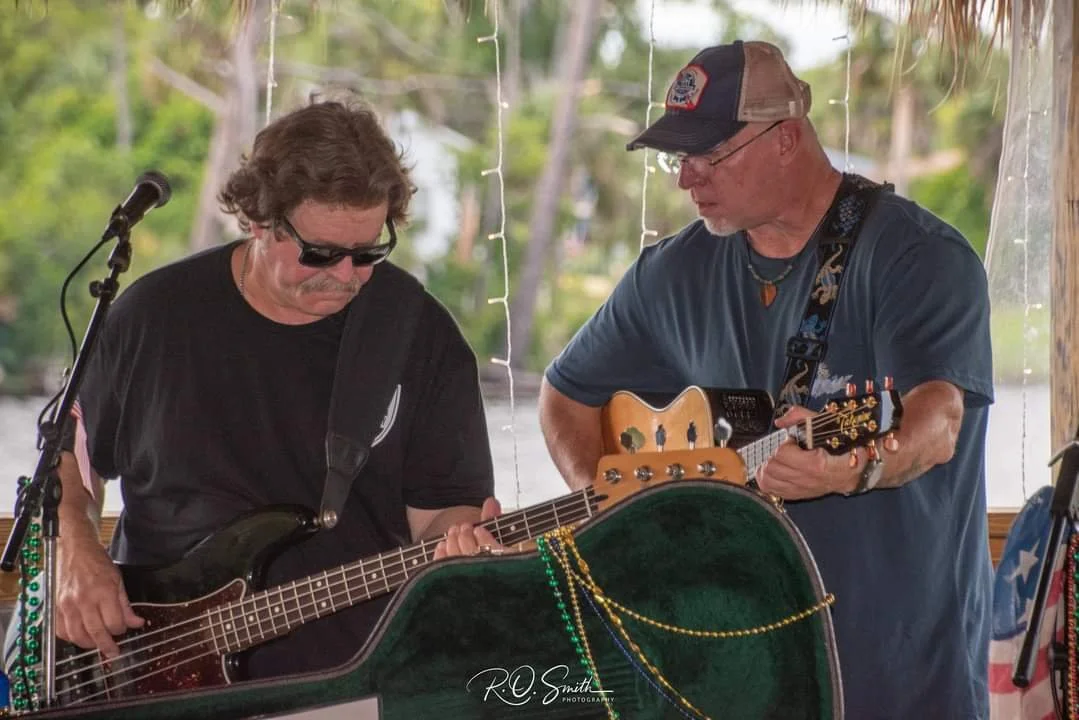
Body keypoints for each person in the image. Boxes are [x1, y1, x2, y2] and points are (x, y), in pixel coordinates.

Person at [539, 40, 992, 718]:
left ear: (784, 138)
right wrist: (613, 503)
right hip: (731, 673)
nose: (685, 179)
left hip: (897, 673)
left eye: (707, 155)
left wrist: (853, 470)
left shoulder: (916, 257)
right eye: (677, 157)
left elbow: (937, 420)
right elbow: (564, 394)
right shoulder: (668, 275)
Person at [53, 98, 501, 681]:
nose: (344, 275)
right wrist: (76, 551)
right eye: (319, 253)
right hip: (149, 673)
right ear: (258, 219)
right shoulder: (153, 317)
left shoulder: (417, 333)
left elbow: (444, 515)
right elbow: (64, 459)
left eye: (368, 253)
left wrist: (464, 550)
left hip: (347, 680)